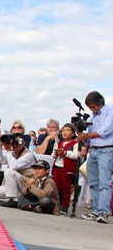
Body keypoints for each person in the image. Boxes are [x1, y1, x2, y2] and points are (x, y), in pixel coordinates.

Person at [78, 91, 113, 224]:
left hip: (106, 150)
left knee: (104, 182)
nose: (92, 110)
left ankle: (104, 211)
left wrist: (86, 136)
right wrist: (82, 135)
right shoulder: (93, 117)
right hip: (93, 150)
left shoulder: (110, 112)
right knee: (93, 182)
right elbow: (88, 134)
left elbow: (105, 131)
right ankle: (97, 210)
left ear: (100, 102)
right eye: (90, 108)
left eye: (93, 107)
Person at [0, 132, 37, 208]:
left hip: (28, 184)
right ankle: (19, 199)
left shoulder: (28, 154)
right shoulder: (14, 154)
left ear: (23, 143)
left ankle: (14, 200)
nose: (14, 145)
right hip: (16, 186)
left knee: (9, 171)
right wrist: (1, 146)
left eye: (17, 142)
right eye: (12, 143)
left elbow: (13, 166)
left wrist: (8, 151)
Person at [51, 123, 78, 215]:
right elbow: (53, 155)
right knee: (57, 188)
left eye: (67, 130)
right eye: (63, 131)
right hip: (57, 167)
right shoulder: (59, 143)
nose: (65, 132)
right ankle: (56, 205)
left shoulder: (75, 143)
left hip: (67, 169)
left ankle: (65, 206)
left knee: (66, 188)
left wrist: (64, 153)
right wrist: (56, 153)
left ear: (73, 133)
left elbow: (75, 155)